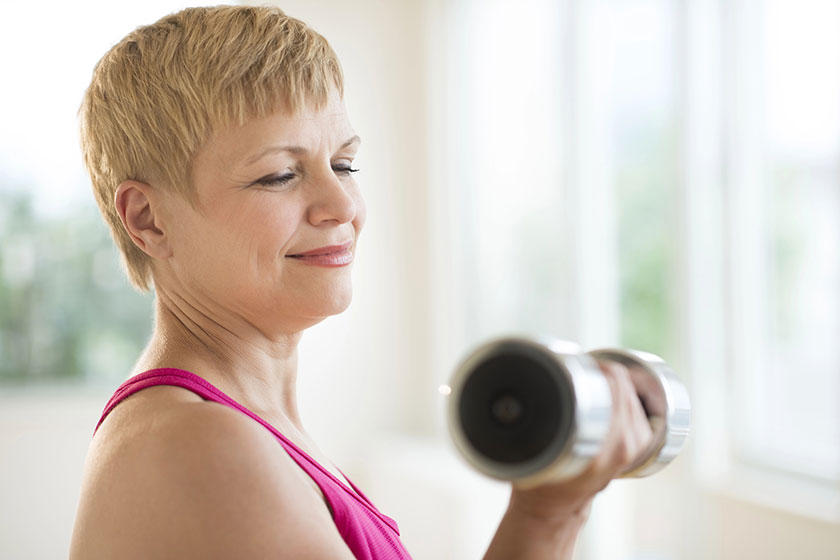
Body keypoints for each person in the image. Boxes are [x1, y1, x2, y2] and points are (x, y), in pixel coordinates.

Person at [69, 5, 654, 559]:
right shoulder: (196, 445)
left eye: (345, 164)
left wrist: (555, 502)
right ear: (149, 219)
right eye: (279, 175)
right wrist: (549, 515)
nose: (340, 203)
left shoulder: (246, 426)